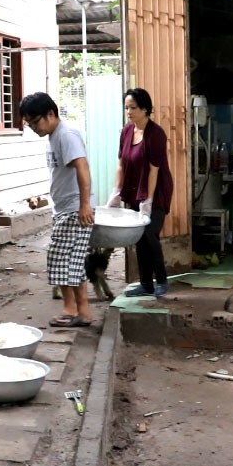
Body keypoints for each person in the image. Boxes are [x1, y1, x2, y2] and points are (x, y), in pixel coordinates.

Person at [20, 92, 95, 327]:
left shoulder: (66, 135)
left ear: (50, 114)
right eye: (29, 123)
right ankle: (82, 312)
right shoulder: (54, 136)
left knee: (59, 258)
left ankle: (71, 309)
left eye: (35, 122)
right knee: (72, 260)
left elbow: (82, 168)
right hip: (67, 207)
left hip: (74, 209)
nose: (33, 127)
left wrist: (84, 205)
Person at [107, 87, 174, 297]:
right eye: (126, 108)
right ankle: (146, 284)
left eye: (133, 108)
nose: (129, 112)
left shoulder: (156, 134)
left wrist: (149, 200)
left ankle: (161, 281)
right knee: (139, 237)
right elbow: (121, 164)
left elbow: (154, 171)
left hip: (156, 190)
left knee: (149, 234)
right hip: (133, 190)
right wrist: (116, 192)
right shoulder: (126, 132)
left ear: (145, 109)